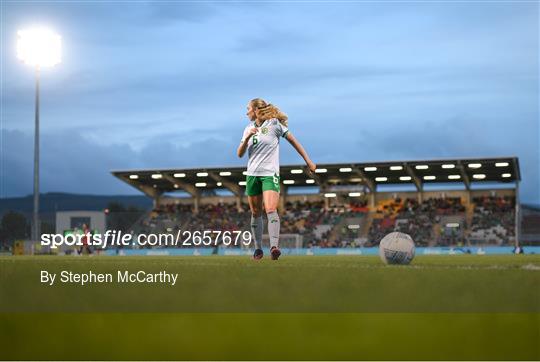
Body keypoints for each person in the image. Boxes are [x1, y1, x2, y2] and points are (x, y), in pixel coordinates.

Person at [237, 98, 316, 260]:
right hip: (252, 175)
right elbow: (239, 154)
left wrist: (308, 161)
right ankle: (258, 249)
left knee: (271, 209)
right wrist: (246, 139)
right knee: (255, 212)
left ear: (256, 110)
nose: (246, 113)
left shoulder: (274, 125)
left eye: (248, 109)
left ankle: (274, 247)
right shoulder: (248, 129)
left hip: (269, 174)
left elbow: (295, 142)